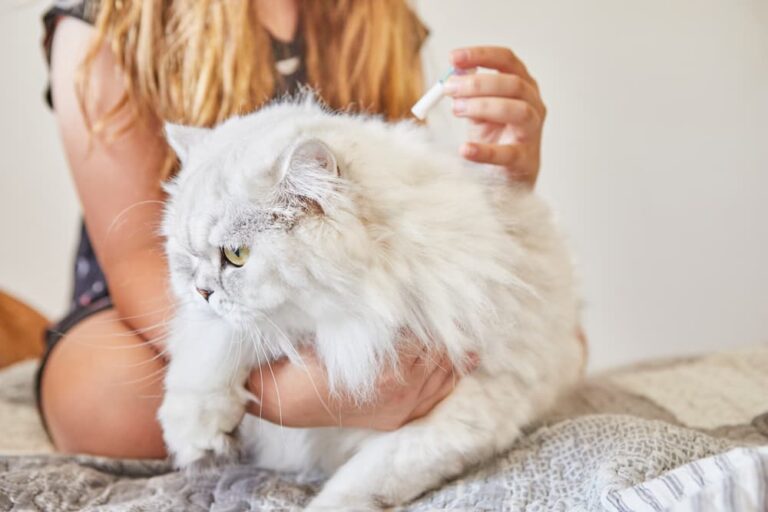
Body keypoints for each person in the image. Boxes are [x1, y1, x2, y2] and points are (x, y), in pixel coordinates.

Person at [37, 0, 548, 458]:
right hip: (161, 300)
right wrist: (281, 394)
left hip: (323, 287)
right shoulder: (106, 22)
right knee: (109, 403)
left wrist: (498, 180)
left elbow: (385, 209)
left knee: (541, 335)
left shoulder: (384, 19)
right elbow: (133, 256)